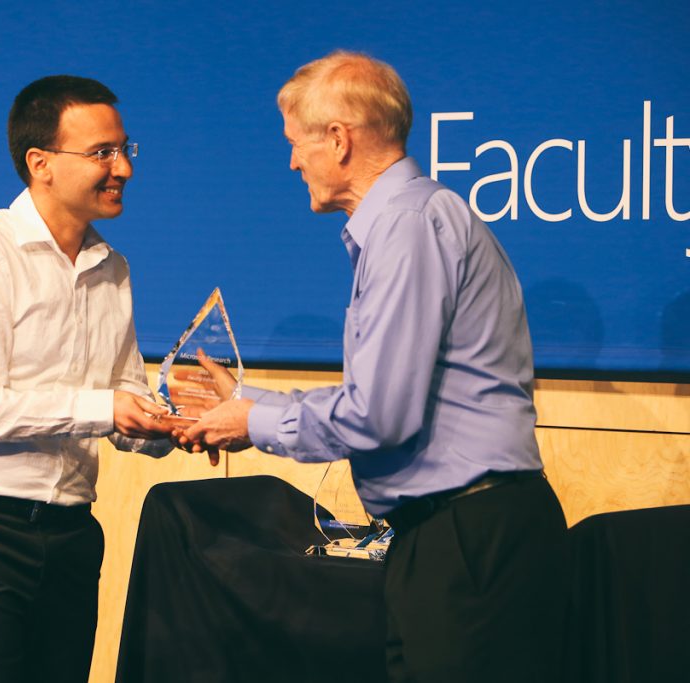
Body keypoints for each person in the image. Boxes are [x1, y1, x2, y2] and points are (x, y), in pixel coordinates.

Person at [180, 51, 569, 683]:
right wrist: (249, 399)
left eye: (296, 143)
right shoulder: (405, 221)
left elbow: (379, 414)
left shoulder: (407, 225)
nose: (291, 161)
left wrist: (250, 423)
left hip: (469, 540)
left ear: (338, 139)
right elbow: (380, 395)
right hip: (446, 535)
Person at [0, 75, 174, 683]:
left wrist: (173, 423)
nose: (123, 169)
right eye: (102, 153)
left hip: (72, 535)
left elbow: (123, 408)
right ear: (41, 164)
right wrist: (107, 409)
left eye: (125, 149)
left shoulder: (113, 268)